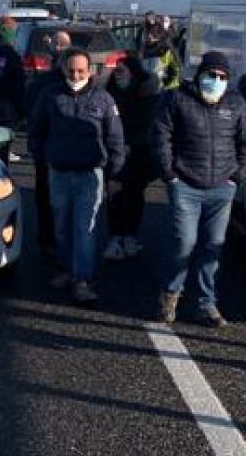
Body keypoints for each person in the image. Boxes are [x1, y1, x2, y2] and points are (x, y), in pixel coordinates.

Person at [151, 51, 246, 326]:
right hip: (185, 184)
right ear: (200, 75)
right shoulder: (178, 100)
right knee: (183, 242)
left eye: (222, 77)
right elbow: (162, 137)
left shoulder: (236, 104)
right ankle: (171, 293)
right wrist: (170, 175)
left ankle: (205, 303)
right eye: (211, 75)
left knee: (213, 246)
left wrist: (237, 177)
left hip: (222, 187)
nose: (216, 81)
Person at [29, 47, 126, 305]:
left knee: (85, 228)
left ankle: (83, 278)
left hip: (89, 175)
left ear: (90, 71)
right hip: (59, 173)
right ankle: (65, 268)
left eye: (81, 71)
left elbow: (115, 138)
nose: (76, 75)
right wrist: (42, 157)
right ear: (63, 70)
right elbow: (36, 129)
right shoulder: (50, 96)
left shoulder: (104, 99)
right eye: (71, 70)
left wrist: (115, 174)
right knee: (61, 226)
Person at [101, 55, 156, 262]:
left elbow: (149, 125)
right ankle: (115, 237)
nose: (118, 76)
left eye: (122, 72)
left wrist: (131, 143)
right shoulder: (109, 93)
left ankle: (130, 236)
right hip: (115, 154)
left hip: (138, 155)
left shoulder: (146, 95)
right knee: (115, 196)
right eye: (117, 71)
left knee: (134, 196)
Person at [22, 29, 71, 256]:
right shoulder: (47, 85)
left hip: (55, 154)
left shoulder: (44, 84)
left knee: (47, 198)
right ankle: (56, 244)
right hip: (55, 153)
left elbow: (29, 112)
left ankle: (49, 242)